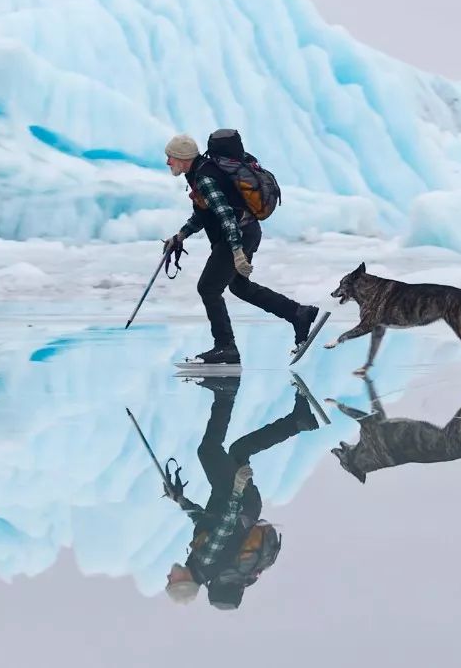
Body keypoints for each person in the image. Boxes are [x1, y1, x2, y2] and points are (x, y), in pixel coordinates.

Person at [162, 133, 319, 364]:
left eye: (171, 157)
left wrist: (237, 252)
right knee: (239, 287)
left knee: (208, 288)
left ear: (183, 159)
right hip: (248, 231)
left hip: (237, 235)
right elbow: (205, 212)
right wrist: (181, 235)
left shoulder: (204, 177)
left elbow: (226, 217)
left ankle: (226, 347)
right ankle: (298, 313)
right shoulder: (199, 173)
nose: (168, 163)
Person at [165, 375, 319, 609]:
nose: (168, 578)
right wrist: (237, 488)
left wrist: (180, 500)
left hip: (244, 505)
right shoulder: (205, 561)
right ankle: (225, 392)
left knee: (240, 450)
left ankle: (299, 421)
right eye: (171, 583)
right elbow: (226, 525)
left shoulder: (202, 564)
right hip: (236, 501)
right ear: (184, 582)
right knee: (208, 450)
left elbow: (207, 521)